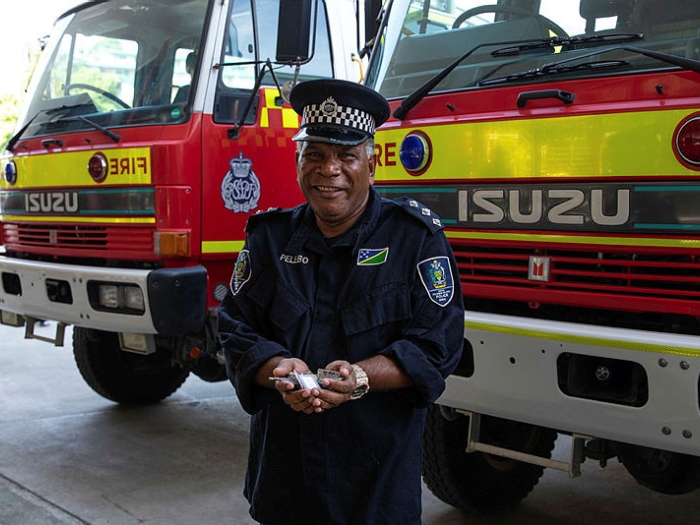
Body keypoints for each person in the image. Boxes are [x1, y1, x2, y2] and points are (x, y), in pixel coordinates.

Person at [217, 78, 464, 525]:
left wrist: (360, 378)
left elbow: (438, 344)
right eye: (314, 154)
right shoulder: (268, 239)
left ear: (371, 165)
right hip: (286, 480)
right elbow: (234, 326)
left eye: (346, 156)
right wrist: (275, 368)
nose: (329, 170)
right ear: (297, 162)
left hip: (375, 485)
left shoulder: (415, 240)